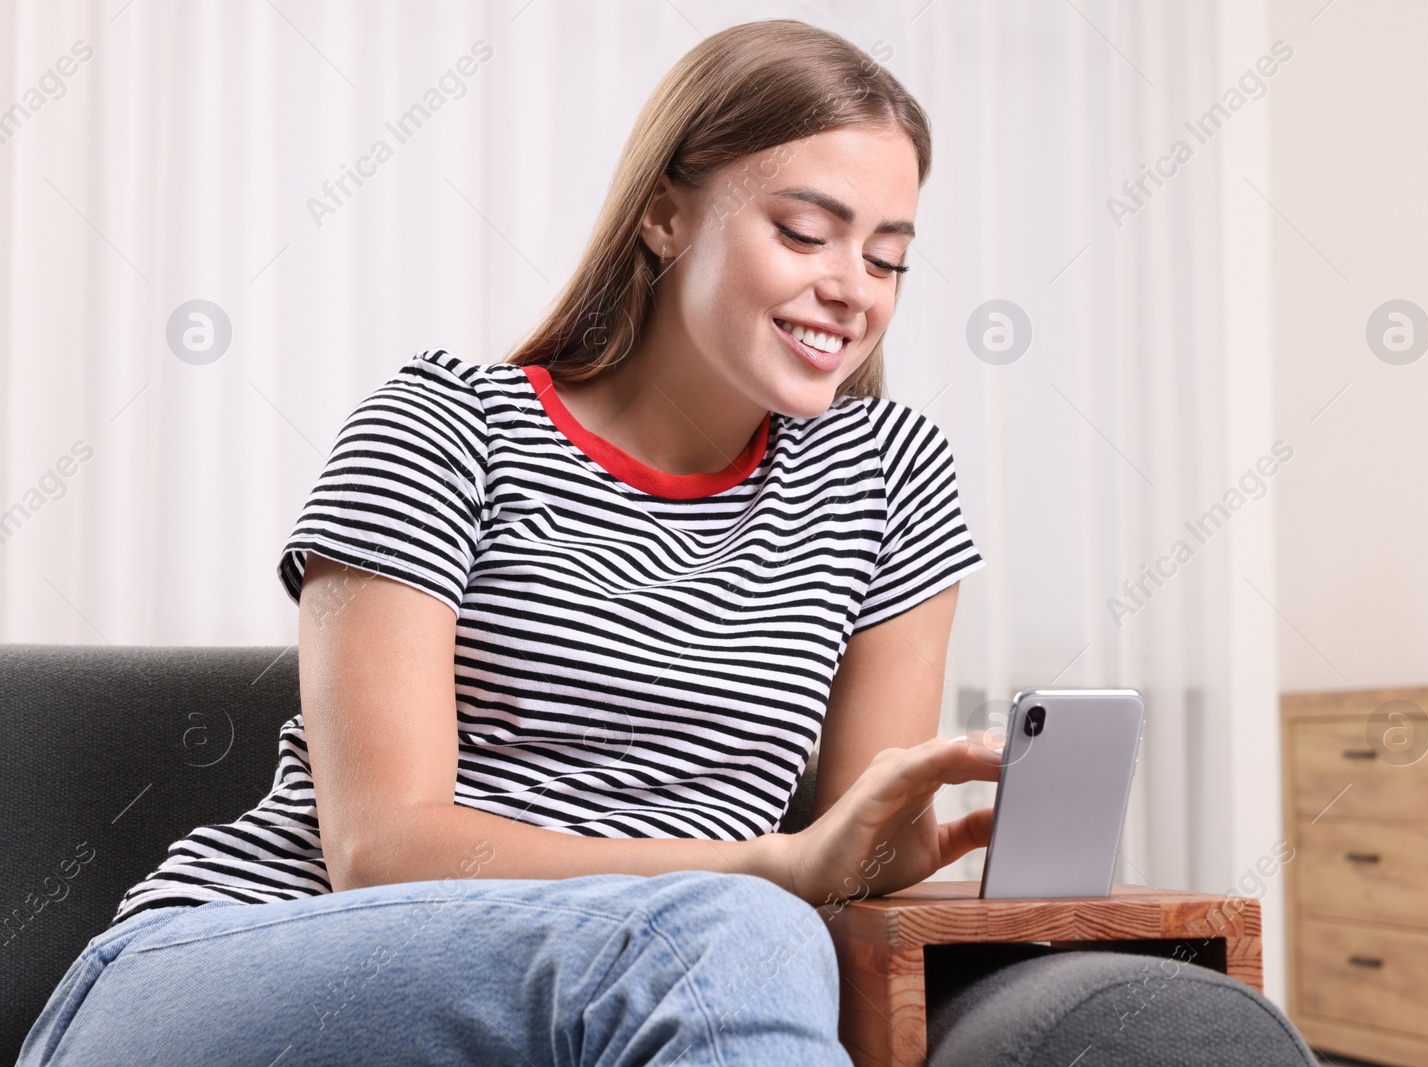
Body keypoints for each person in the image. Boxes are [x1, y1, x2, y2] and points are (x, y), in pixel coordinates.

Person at [18, 17, 999, 1066]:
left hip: (619, 985)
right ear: (664, 214)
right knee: (738, 927)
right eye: (806, 234)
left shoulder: (886, 474)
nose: (853, 286)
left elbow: (854, 834)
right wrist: (766, 871)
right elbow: (380, 848)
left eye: (887, 255)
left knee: (743, 932)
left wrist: (898, 840)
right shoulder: (444, 428)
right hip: (217, 973)